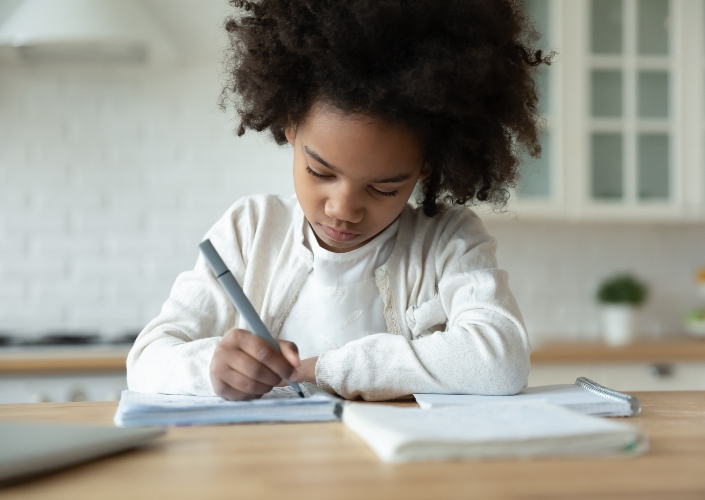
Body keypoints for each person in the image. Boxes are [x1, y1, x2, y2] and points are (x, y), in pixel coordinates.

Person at [127, 0, 551, 401]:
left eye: (383, 187)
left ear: (427, 165)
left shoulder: (447, 241)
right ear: (291, 126)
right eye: (320, 172)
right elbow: (146, 359)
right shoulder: (250, 230)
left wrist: (319, 370)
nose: (343, 209)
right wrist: (211, 368)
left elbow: (501, 360)